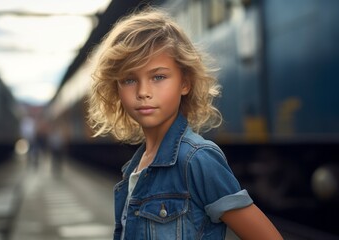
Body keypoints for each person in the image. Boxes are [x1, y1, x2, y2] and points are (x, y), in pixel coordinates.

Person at [88, 7, 283, 240]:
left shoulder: (198, 159)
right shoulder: (134, 168)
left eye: (158, 77)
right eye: (129, 79)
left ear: (185, 83)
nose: (142, 92)